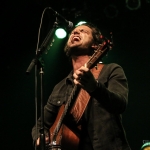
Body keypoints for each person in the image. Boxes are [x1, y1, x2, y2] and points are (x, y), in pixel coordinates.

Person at [32, 22, 131, 150]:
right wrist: (39, 138)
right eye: (73, 32)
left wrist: (95, 88)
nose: (75, 32)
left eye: (83, 31)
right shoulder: (60, 87)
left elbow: (120, 105)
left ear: (96, 45)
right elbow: (40, 125)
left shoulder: (111, 70)